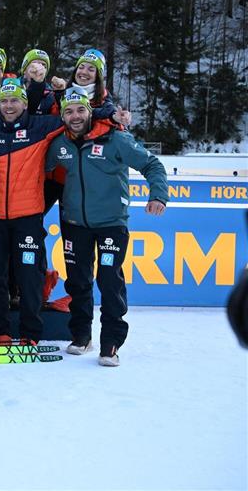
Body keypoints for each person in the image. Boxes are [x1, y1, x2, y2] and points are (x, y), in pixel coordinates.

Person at [45, 92, 168, 366]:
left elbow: (152, 164)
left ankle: (111, 342)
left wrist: (158, 195)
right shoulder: (59, 144)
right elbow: (38, 170)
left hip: (112, 222)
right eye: (69, 112)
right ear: (62, 116)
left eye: (80, 110)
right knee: (78, 280)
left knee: (109, 281)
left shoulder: (116, 139)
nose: (75, 117)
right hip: (75, 223)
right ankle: (81, 335)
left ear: (90, 111)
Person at [0, 81, 64, 345]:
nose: (9, 106)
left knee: (29, 278)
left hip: (27, 218)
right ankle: (0, 331)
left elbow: (78, 115)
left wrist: (111, 115)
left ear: (25, 103)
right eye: (4, 101)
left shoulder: (40, 125)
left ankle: (30, 333)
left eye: (15, 100)